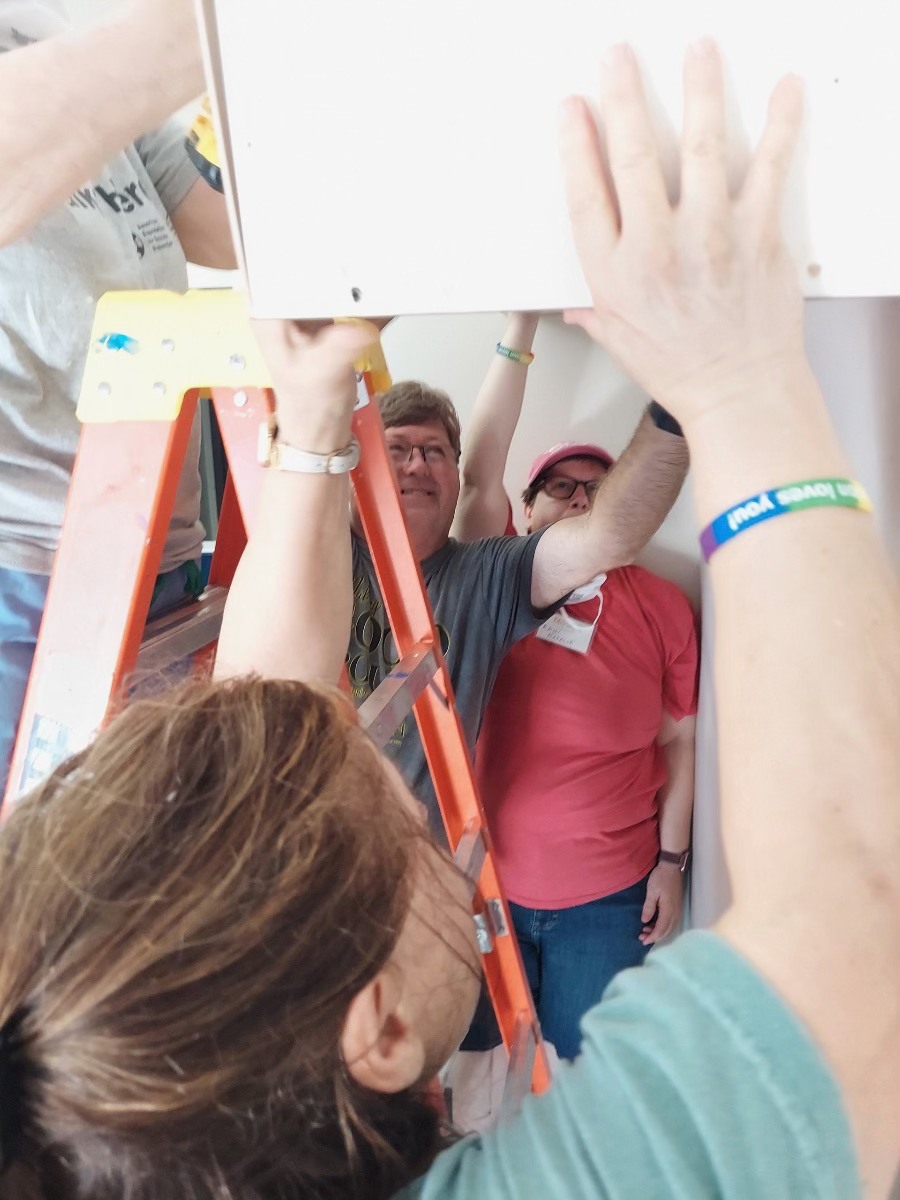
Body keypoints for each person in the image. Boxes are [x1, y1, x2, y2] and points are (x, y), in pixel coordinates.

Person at [0, 40, 896, 1200]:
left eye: (436, 455)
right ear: (371, 1030)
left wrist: (320, 421)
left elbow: (275, 698)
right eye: (404, 826)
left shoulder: (464, 576)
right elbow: (856, 931)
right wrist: (740, 381)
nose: (434, 820)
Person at [0, 0, 236, 794]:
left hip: (152, 555)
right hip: (24, 570)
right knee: (37, 896)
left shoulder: (63, 36)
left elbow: (220, 227)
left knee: (134, 876)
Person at [453, 324, 699, 1060]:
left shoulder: (659, 606)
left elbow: (681, 738)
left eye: (596, 489)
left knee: (586, 1074)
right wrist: (517, 331)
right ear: (525, 513)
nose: (580, 498)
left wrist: (673, 863)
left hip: (607, 898)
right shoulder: (487, 580)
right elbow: (477, 471)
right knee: (477, 1073)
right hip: (480, 890)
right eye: (559, 489)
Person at [347, 371, 688, 832]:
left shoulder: (486, 575)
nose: (417, 465)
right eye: (397, 448)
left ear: (456, 477)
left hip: (422, 871)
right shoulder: (323, 550)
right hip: (297, 866)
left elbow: (609, 536)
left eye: (435, 452)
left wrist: (683, 393)